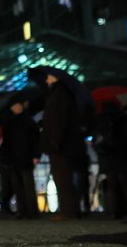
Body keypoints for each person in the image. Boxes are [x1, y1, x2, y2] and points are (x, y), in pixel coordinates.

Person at [40, 72, 82, 220]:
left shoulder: (58, 94)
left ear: (56, 77)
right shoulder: (62, 93)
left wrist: (53, 141)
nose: (46, 79)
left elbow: (58, 120)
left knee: (62, 178)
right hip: (63, 144)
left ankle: (68, 211)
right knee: (63, 178)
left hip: (60, 145)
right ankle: (69, 210)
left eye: (49, 76)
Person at [94, 101, 127, 219]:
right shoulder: (124, 121)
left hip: (108, 158)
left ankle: (114, 211)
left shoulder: (102, 122)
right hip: (123, 157)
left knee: (112, 186)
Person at [0, 95, 40, 219]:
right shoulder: (8, 122)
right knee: (18, 186)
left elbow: (35, 140)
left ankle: (31, 211)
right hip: (13, 159)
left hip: (25, 158)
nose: (17, 108)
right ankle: (22, 210)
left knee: (27, 185)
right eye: (15, 106)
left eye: (19, 105)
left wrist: (36, 155)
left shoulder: (28, 121)